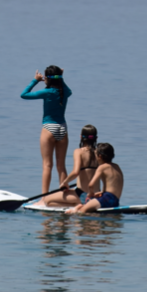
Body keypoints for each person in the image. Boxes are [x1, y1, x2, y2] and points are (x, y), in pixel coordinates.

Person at [20, 65, 72, 196]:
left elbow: (24, 95)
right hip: (63, 129)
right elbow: (69, 91)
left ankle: (44, 197)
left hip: (49, 128)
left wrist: (35, 80)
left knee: (47, 166)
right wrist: (61, 78)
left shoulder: (47, 92)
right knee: (61, 166)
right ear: (59, 78)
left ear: (47, 79)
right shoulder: (64, 91)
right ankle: (64, 195)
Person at [38, 124, 100, 207]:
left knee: (47, 200)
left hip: (82, 195)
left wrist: (65, 182)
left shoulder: (78, 152)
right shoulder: (99, 153)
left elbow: (75, 172)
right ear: (96, 138)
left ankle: (77, 204)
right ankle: (78, 204)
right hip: (97, 195)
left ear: (81, 137)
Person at [66, 143, 122, 214]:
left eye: (95, 154)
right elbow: (112, 184)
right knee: (86, 206)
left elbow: (91, 184)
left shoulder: (101, 167)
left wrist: (91, 193)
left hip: (106, 198)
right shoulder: (117, 166)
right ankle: (80, 207)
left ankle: (75, 211)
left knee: (82, 211)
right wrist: (101, 192)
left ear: (100, 156)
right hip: (115, 200)